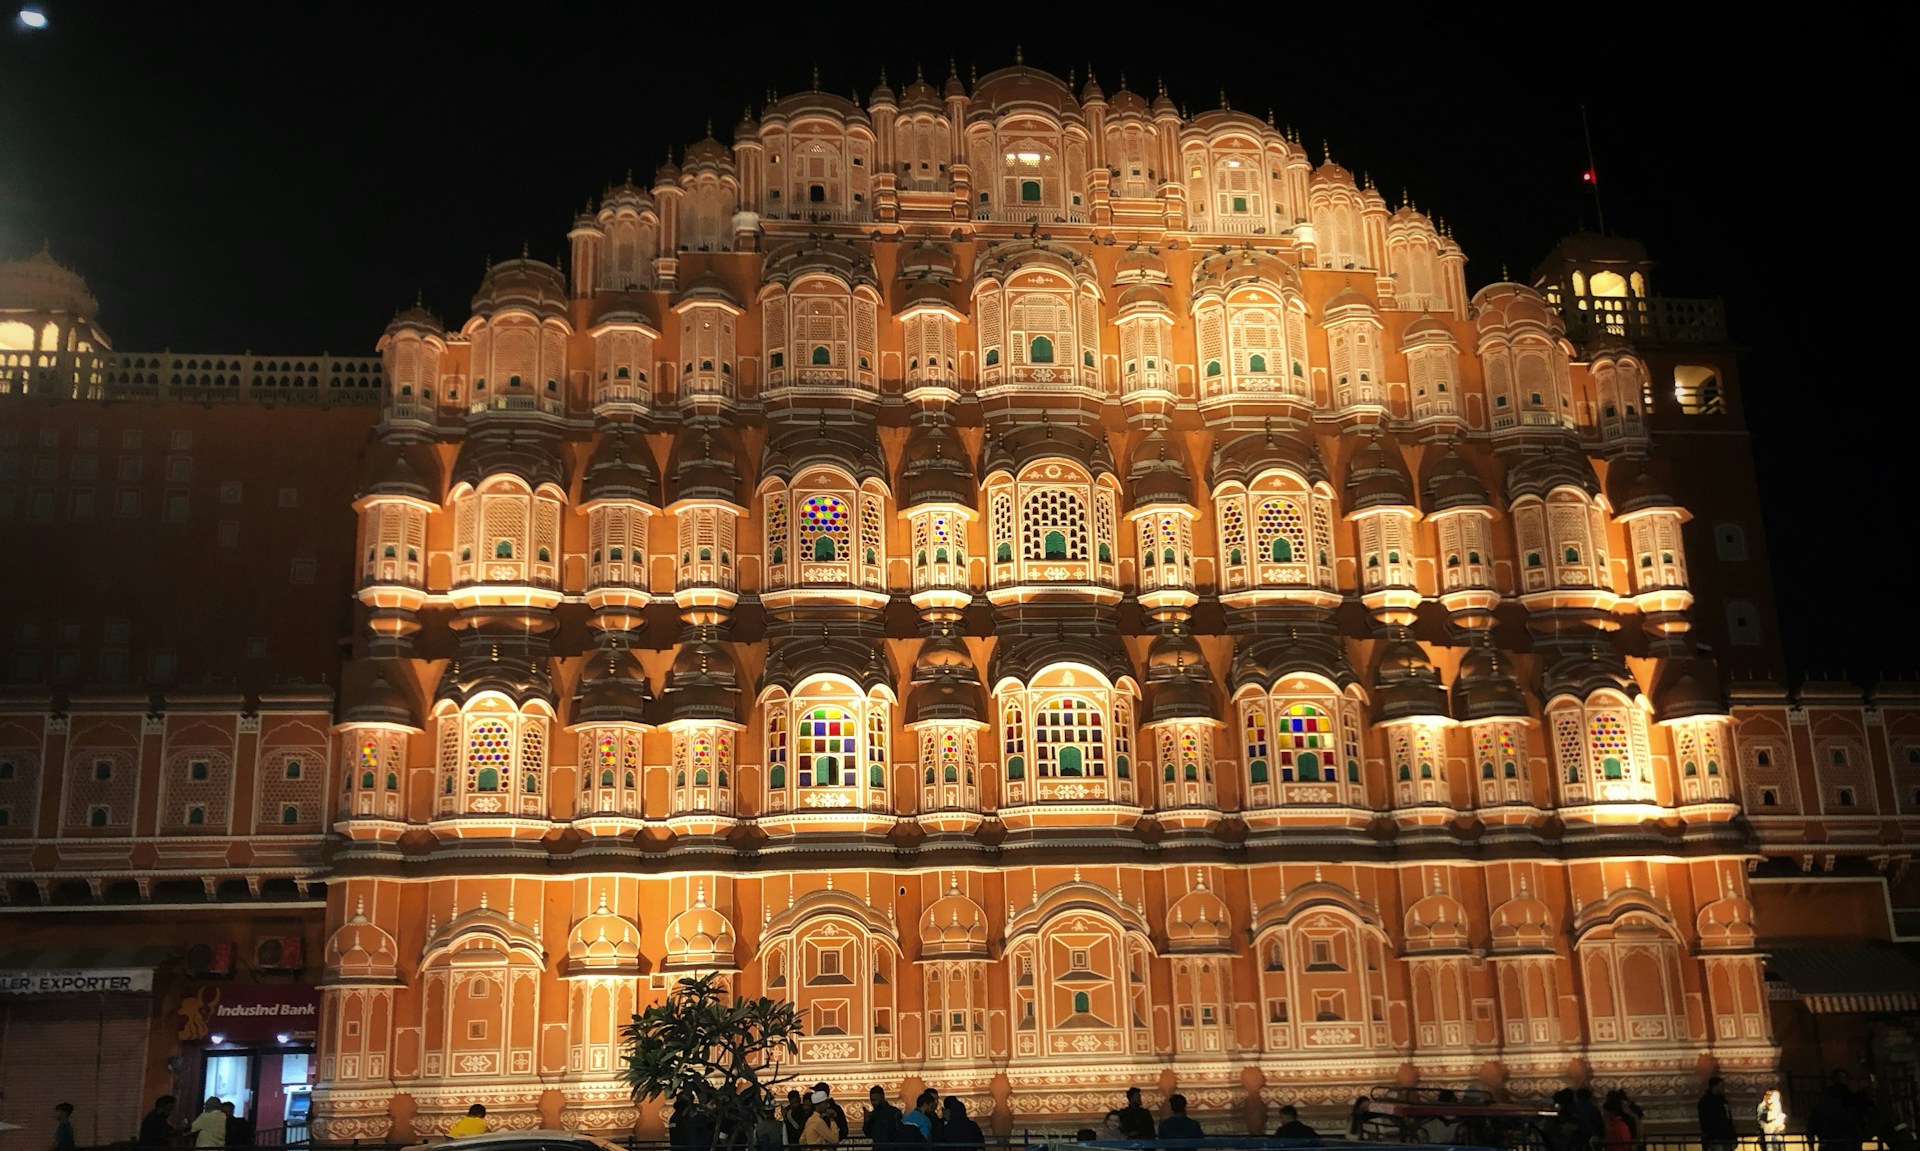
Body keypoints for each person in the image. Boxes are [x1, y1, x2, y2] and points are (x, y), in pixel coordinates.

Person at [1811, 1084, 1862, 1151]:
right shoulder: (1848, 1110)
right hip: (1846, 1146)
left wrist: (1811, 1146)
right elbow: (1856, 1130)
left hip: (1826, 1146)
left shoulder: (1819, 1110)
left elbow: (1811, 1129)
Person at [1698, 1078, 1737, 1151]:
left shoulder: (1722, 1100)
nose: (1723, 1089)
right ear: (1715, 1087)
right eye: (1721, 1086)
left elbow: (1728, 1118)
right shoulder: (1706, 1101)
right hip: (1715, 1137)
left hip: (1726, 1136)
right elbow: (1705, 1120)